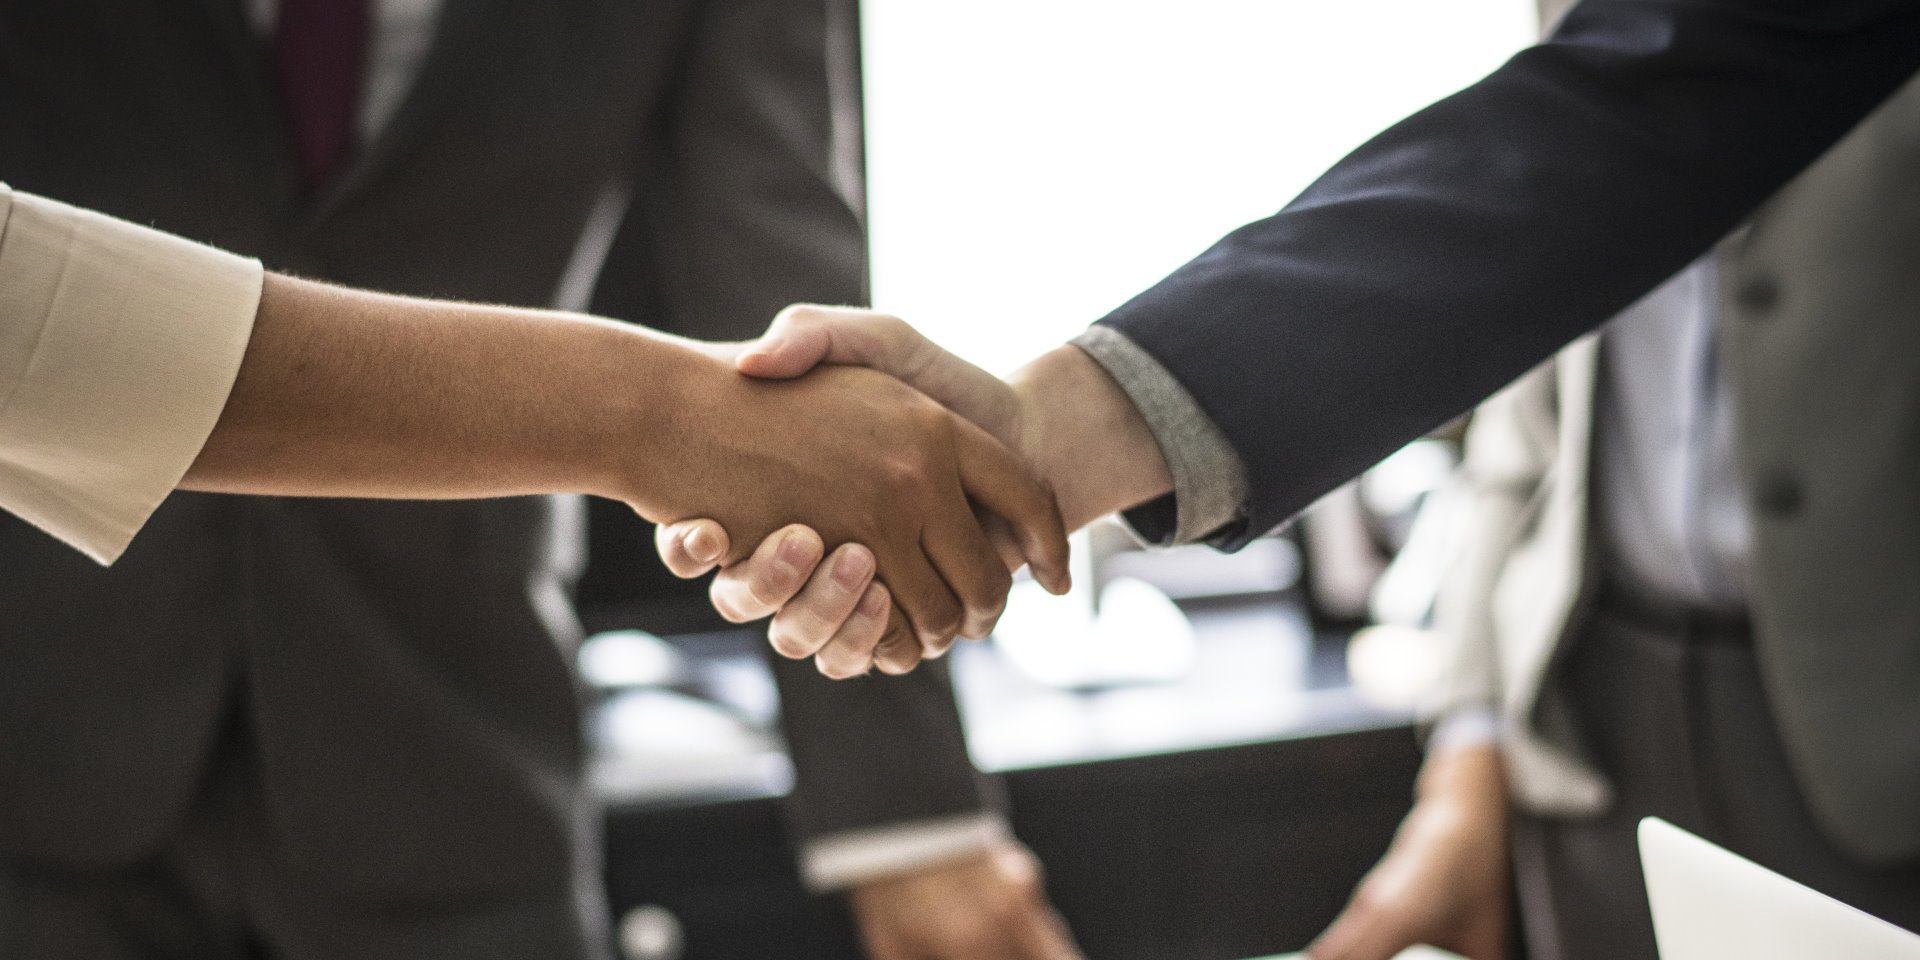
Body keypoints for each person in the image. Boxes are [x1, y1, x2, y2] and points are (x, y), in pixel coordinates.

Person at [0, 3, 1085, 958]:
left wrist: (911, 825)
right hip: (35, 734)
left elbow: (788, 308)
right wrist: (644, 415)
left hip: (450, 747)